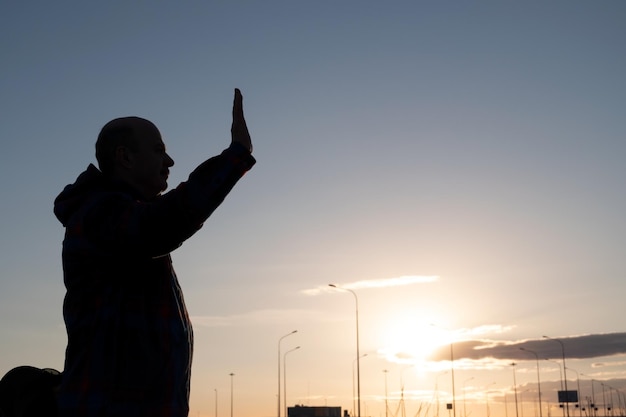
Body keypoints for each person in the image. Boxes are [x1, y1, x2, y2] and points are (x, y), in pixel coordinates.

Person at [53, 89, 255, 416]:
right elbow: (165, 221)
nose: (170, 161)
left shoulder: (123, 215)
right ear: (125, 157)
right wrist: (236, 156)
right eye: (159, 150)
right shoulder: (99, 215)